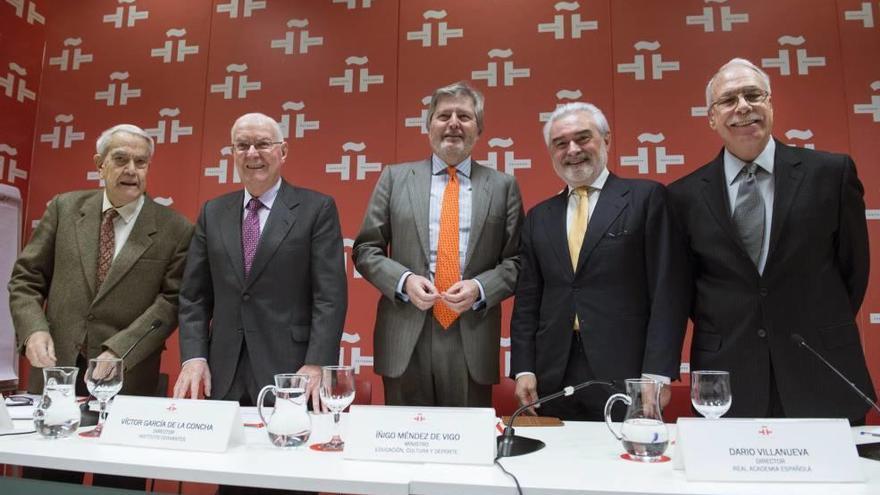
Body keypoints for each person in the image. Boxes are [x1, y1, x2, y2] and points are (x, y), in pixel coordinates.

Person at [668, 58, 875, 422]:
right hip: (729, 374)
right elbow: (685, 290)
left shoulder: (831, 174)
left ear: (771, 105)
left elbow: (852, 269)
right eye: (728, 100)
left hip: (821, 365)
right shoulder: (683, 196)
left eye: (753, 95)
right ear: (712, 118)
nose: (743, 107)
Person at [8, 123, 193, 489]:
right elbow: (26, 279)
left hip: (128, 381)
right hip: (54, 374)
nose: (131, 170)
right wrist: (33, 330)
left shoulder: (175, 229)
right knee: (47, 482)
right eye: (121, 159)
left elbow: (171, 302)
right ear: (99, 164)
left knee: (118, 483)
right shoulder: (64, 208)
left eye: (141, 162)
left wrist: (119, 350)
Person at [509, 103, 689, 420]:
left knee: (626, 465)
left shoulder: (646, 199)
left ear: (606, 139)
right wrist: (523, 367)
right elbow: (527, 300)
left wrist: (658, 372)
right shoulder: (539, 217)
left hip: (627, 372)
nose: (573, 150)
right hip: (552, 375)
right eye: (560, 143)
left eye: (583, 138)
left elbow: (668, 291)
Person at [353, 82, 523, 407]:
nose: (454, 124)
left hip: (470, 333)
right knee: (405, 445)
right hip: (405, 333)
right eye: (444, 115)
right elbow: (365, 249)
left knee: (467, 449)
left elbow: (517, 261)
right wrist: (404, 281)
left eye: (465, 116)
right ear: (428, 125)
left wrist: (479, 287)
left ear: (480, 128)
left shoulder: (503, 187)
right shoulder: (394, 178)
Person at [173, 112, 346, 413]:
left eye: (263, 144)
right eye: (242, 145)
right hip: (221, 372)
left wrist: (317, 362)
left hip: (292, 373)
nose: (252, 153)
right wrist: (194, 357)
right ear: (232, 153)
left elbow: (329, 297)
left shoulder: (316, 209)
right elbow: (194, 296)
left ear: (283, 150)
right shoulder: (212, 213)